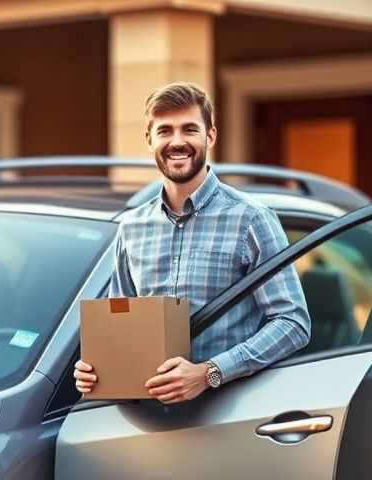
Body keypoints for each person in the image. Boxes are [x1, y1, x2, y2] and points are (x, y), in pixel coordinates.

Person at [74, 82, 310, 404]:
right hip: (146, 423)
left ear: (210, 136)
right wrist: (95, 370)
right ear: (149, 140)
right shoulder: (132, 227)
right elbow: (121, 327)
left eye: (189, 129)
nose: (177, 142)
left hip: (231, 414)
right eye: (165, 131)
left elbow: (292, 323)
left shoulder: (251, 219)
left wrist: (209, 372)